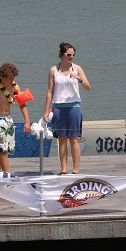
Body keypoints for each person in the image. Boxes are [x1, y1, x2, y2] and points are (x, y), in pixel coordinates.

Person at [43, 42, 91, 175]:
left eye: (73, 55)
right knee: (62, 139)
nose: (71, 57)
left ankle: (75, 170)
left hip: (74, 107)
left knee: (74, 138)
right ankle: (63, 169)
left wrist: (79, 79)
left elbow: (88, 87)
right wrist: (46, 110)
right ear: (62, 54)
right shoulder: (54, 70)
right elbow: (50, 91)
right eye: (69, 54)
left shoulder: (77, 68)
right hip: (58, 107)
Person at [0, 62, 31, 174]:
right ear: (2, 77)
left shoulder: (15, 87)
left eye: (13, 77)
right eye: (9, 78)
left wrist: (27, 122)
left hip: (8, 120)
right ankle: (8, 178)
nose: (11, 80)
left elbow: (22, 104)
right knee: (2, 150)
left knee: (4, 151)